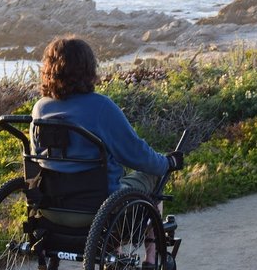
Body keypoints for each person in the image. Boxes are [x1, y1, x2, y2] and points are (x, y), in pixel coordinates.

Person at [30, 37, 184, 258]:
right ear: (88, 69)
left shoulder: (40, 108)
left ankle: (116, 254)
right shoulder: (101, 107)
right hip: (99, 210)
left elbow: (37, 159)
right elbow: (137, 154)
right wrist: (167, 163)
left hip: (50, 208)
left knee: (111, 177)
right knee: (153, 175)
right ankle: (152, 260)